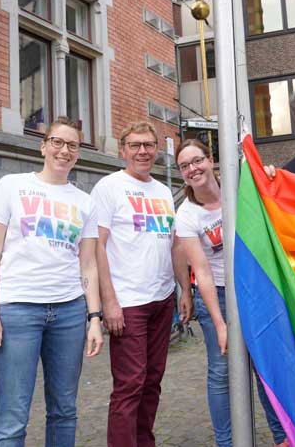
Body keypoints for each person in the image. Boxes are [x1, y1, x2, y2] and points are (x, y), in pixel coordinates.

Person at [0, 117, 104, 446]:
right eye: (58, 142)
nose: (64, 150)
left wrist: (94, 318)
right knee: (12, 415)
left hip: (69, 313)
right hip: (18, 311)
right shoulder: (12, 186)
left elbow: (87, 264)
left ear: (78, 153)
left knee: (64, 410)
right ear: (43, 146)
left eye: (72, 145)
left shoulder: (85, 202)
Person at [174, 139, 289, 447]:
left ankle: (282, 438)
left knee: (265, 362)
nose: (192, 169)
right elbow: (203, 272)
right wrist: (220, 324)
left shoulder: (239, 187)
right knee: (221, 371)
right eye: (184, 166)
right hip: (219, 294)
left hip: (255, 288)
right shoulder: (187, 216)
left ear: (211, 159)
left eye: (197, 161)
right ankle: (227, 442)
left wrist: (268, 176)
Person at [91, 121, 192, 447]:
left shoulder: (163, 192)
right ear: (123, 150)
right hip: (128, 302)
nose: (143, 151)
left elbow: (174, 244)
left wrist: (183, 289)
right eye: (135, 145)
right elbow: (98, 248)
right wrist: (109, 302)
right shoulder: (109, 187)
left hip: (161, 300)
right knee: (129, 384)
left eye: (148, 145)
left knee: (152, 381)